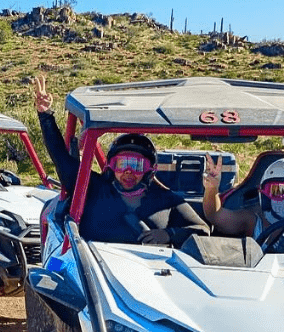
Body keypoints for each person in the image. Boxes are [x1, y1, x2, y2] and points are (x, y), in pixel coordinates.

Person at [33, 77, 210, 246]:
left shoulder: (166, 199)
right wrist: (45, 115)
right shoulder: (92, 189)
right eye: (122, 164)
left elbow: (202, 230)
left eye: (137, 165)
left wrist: (169, 234)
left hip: (151, 266)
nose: (128, 171)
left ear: (149, 170)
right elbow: (60, 157)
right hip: (93, 264)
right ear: (111, 166)